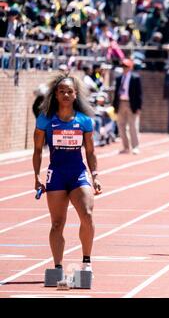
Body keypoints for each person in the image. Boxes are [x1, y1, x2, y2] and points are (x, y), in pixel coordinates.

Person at [33, 73, 102, 274]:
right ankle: (57, 267)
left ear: (75, 95)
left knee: (87, 215)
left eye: (69, 91)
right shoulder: (45, 119)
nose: (65, 94)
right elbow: (37, 150)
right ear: (55, 94)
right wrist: (37, 176)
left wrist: (95, 175)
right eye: (61, 91)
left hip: (78, 173)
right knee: (57, 223)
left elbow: (90, 151)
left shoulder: (84, 121)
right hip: (56, 175)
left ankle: (86, 263)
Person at [113, 58, 143, 154]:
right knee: (121, 126)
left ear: (130, 67)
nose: (124, 68)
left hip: (131, 104)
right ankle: (126, 147)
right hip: (121, 103)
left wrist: (139, 107)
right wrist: (114, 106)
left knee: (132, 126)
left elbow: (139, 94)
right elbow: (116, 93)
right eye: (123, 66)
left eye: (126, 66)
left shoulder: (135, 78)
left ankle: (135, 146)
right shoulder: (119, 78)